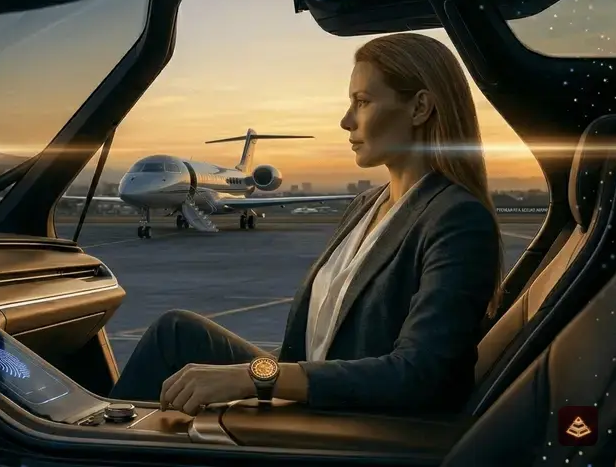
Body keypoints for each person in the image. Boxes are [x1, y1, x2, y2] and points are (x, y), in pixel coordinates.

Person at [108, 32, 504, 415]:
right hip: (314, 387)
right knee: (175, 331)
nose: (346, 121)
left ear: (419, 108)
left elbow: (422, 375)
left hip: (359, 424)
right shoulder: (367, 204)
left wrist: (256, 377)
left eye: (362, 102)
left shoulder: (456, 219)